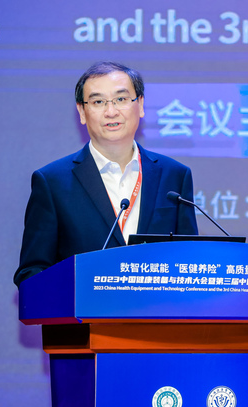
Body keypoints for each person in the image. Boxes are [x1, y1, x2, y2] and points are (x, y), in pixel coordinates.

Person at [14, 61, 198, 287]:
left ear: (140, 105)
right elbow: (32, 272)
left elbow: (191, 260)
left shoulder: (175, 176)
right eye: (98, 102)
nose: (111, 112)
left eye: (121, 99)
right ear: (82, 111)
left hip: (157, 309)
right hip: (85, 309)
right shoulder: (52, 182)